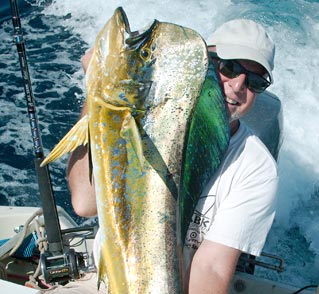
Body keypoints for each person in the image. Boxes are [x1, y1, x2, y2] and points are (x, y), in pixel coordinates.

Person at [49, 18, 278, 293]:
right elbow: (85, 203)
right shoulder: (143, 118)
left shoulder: (257, 166)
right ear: (203, 63)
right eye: (228, 68)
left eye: (254, 81)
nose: (238, 85)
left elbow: (211, 268)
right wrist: (96, 95)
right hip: (108, 278)